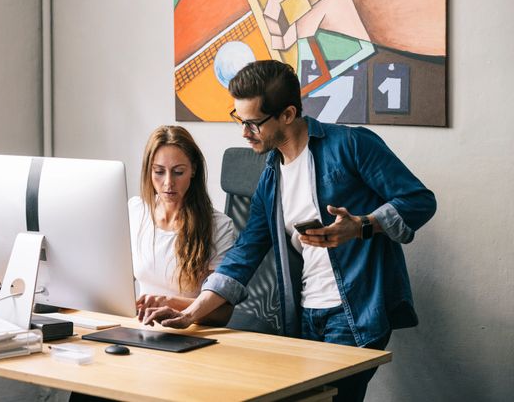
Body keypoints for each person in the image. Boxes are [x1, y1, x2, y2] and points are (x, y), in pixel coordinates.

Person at [141, 61, 436, 402]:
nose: (244, 132)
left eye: (252, 123)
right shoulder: (271, 177)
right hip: (305, 316)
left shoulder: (351, 145)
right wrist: (190, 313)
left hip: (356, 310)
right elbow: (246, 252)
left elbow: (420, 201)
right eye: (240, 119)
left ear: (287, 114)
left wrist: (361, 226)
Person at [131, 125, 235, 325]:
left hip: (190, 334)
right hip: (141, 329)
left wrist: (168, 302)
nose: (168, 183)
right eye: (159, 172)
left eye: (178, 172)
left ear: (193, 169)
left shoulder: (219, 226)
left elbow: (221, 313)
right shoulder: (135, 212)